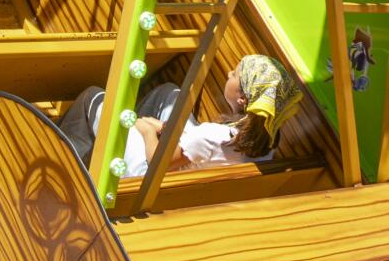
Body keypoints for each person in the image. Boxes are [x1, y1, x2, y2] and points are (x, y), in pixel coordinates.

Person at [60, 54, 303, 177]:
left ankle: (65, 158)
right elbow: (203, 148)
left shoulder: (213, 135)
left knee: (95, 98)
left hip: (147, 178)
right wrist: (164, 128)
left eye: (234, 75)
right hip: (186, 167)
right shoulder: (266, 141)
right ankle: (111, 141)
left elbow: (157, 162)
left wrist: (146, 131)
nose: (229, 72)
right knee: (170, 93)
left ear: (243, 98)